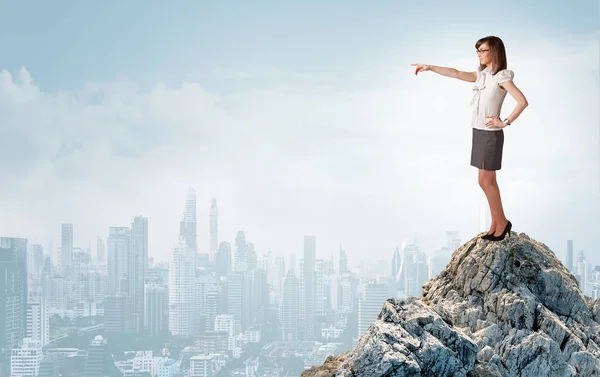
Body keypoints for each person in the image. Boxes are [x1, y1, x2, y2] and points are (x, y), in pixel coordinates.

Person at [411, 36, 529, 241]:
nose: (479, 54)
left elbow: (522, 101)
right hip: (479, 132)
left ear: (494, 52)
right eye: (478, 51)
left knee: (487, 181)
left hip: (490, 136)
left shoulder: (502, 77)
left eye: (483, 50)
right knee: (484, 181)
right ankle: (496, 222)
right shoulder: (482, 75)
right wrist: (430, 67)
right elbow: (456, 73)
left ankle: (502, 223)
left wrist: (505, 121)